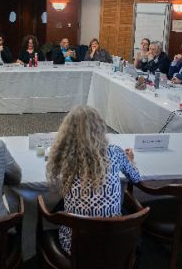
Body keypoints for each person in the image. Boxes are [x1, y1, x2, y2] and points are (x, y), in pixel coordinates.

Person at [46, 106, 141, 254]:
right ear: (100, 127)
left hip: (75, 246)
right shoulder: (115, 152)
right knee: (122, 207)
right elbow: (136, 178)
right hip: (112, 242)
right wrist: (130, 161)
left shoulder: (66, 156)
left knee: (61, 205)